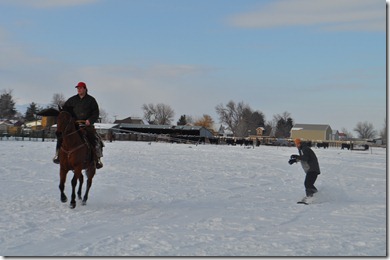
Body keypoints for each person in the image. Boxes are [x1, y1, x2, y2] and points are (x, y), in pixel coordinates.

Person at [53, 81, 103, 169]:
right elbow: (65, 111)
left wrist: (90, 120)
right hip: (73, 125)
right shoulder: (71, 100)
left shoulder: (91, 100)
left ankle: (97, 159)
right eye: (77, 88)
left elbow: (96, 113)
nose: (79, 90)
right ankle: (58, 155)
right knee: (61, 136)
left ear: (85, 89)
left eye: (80, 88)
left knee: (95, 138)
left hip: (86, 125)